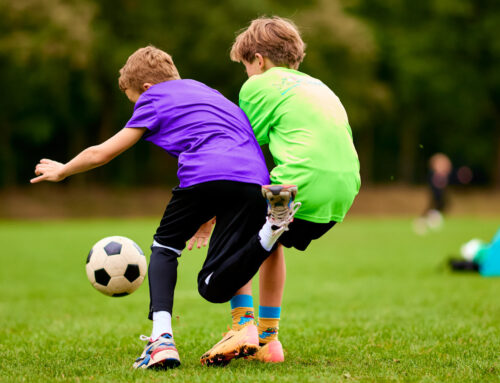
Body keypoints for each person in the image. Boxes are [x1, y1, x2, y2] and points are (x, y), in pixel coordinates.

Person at [30, 46, 301, 369]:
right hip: (254, 180)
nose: (137, 106)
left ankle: (161, 341)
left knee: (165, 247)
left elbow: (101, 153)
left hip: (205, 173)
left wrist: (62, 170)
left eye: (133, 100)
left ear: (145, 88)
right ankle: (269, 233)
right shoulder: (208, 93)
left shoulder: (154, 98)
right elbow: (225, 146)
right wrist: (206, 216)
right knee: (215, 281)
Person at [199, 16, 361, 364]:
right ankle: (270, 341)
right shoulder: (319, 86)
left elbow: (240, 154)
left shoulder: (258, 86)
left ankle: (243, 325)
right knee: (271, 237)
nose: (247, 75)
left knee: (235, 213)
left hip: (301, 183)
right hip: (342, 193)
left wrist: (208, 211)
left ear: (258, 59)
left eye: (246, 67)